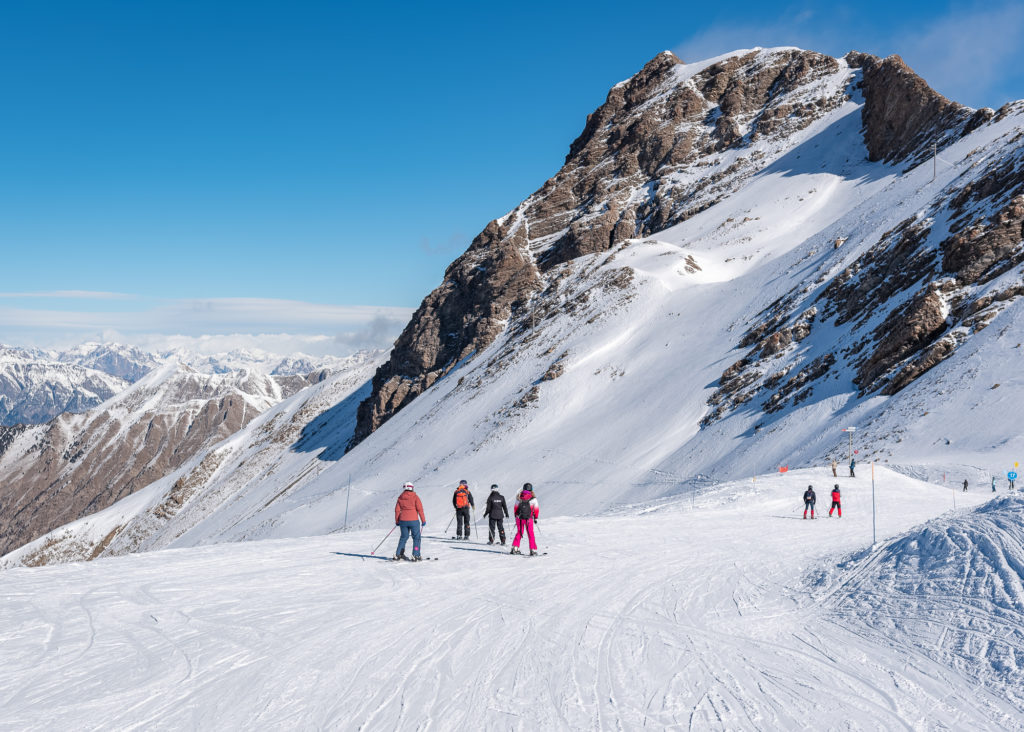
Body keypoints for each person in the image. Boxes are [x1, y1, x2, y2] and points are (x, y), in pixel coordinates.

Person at [394, 482, 426, 560]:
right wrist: (423, 520)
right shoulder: (415, 497)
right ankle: (416, 555)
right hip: (414, 521)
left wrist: (397, 521)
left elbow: (397, 510)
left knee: (403, 537)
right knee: (416, 538)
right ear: (412, 488)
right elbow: (420, 509)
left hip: (403, 521)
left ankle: (398, 554)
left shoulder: (400, 498)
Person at [511, 483, 540, 555]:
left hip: (519, 518)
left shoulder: (519, 497)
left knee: (519, 532)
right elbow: (536, 509)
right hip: (528, 519)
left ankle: (515, 548)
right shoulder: (533, 499)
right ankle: (532, 550)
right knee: (530, 534)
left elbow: (515, 508)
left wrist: (516, 517)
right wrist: (535, 518)